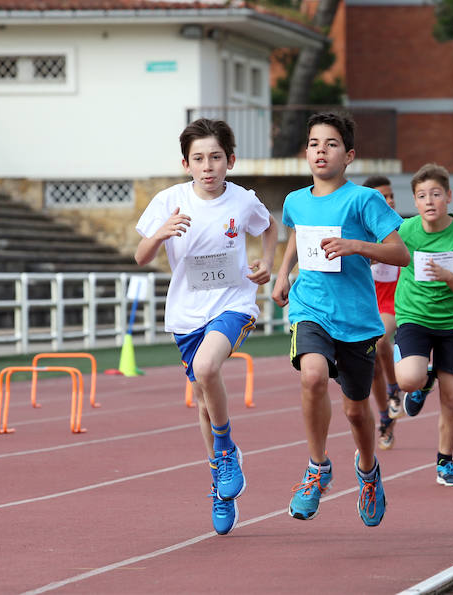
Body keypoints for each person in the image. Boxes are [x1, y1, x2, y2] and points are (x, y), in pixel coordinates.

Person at [134, 118, 278, 536]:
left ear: (230, 160)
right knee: (201, 398)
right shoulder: (169, 201)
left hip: (233, 304)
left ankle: (226, 447)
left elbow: (268, 224)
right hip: (186, 312)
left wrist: (267, 262)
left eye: (216, 157)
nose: (208, 166)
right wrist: (160, 234)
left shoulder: (242, 201)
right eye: (199, 158)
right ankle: (218, 478)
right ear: (186, 163)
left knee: (207, 369)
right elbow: (141, 257)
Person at [271, 112, 409, 527]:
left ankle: (368, 471)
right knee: (312, 376)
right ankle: (317, 468)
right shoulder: (295, 200)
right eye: (314, 143)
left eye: (330, 144)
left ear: (348, 155)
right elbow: (296, 232)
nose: (320, 151)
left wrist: (356, 245)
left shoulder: (363, 200)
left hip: (356, 319)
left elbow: (400, 254)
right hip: (309, 308)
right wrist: (282, 275)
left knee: (355, 411)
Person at [394, 163, 453, 486]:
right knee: (408, 380)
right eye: (422, 195)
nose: (429, 201)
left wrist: (448, 276)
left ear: (448, 196)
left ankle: (445, 462)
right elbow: (380, 253)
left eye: (435, 194)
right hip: (414, 317)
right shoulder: (405, 231)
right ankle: (423, 378)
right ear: (415, 203)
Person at [363, 175, 403, 450]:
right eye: (382, 198)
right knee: (371, 365)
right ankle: (384, 416)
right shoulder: (358, 229)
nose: (388, 201)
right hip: (365, 303)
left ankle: (394, 388)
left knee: (380, 339)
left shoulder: (400, 229)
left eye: (390, 197)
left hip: (393, 304)